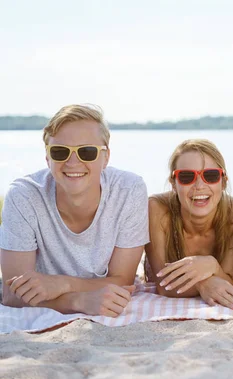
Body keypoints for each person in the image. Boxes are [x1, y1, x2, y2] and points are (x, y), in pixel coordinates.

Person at [0, 104, 148, 317]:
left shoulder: (128, 190)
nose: (72, 162)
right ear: (48, 158)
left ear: (105, 157)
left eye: (86, 152)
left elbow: (122, 281)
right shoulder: (24, 196)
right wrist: (77, 301)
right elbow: (11, 295)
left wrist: (60, 284)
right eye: (60, 152)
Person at [144, 139, 233, 310]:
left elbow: (228, 283)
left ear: (223, 182)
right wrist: (203, 283)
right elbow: (163, 285)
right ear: (174, 184)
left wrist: (211, 264)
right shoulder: (156, 209)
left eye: (211, 176)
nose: (199, 186)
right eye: (186, 177)